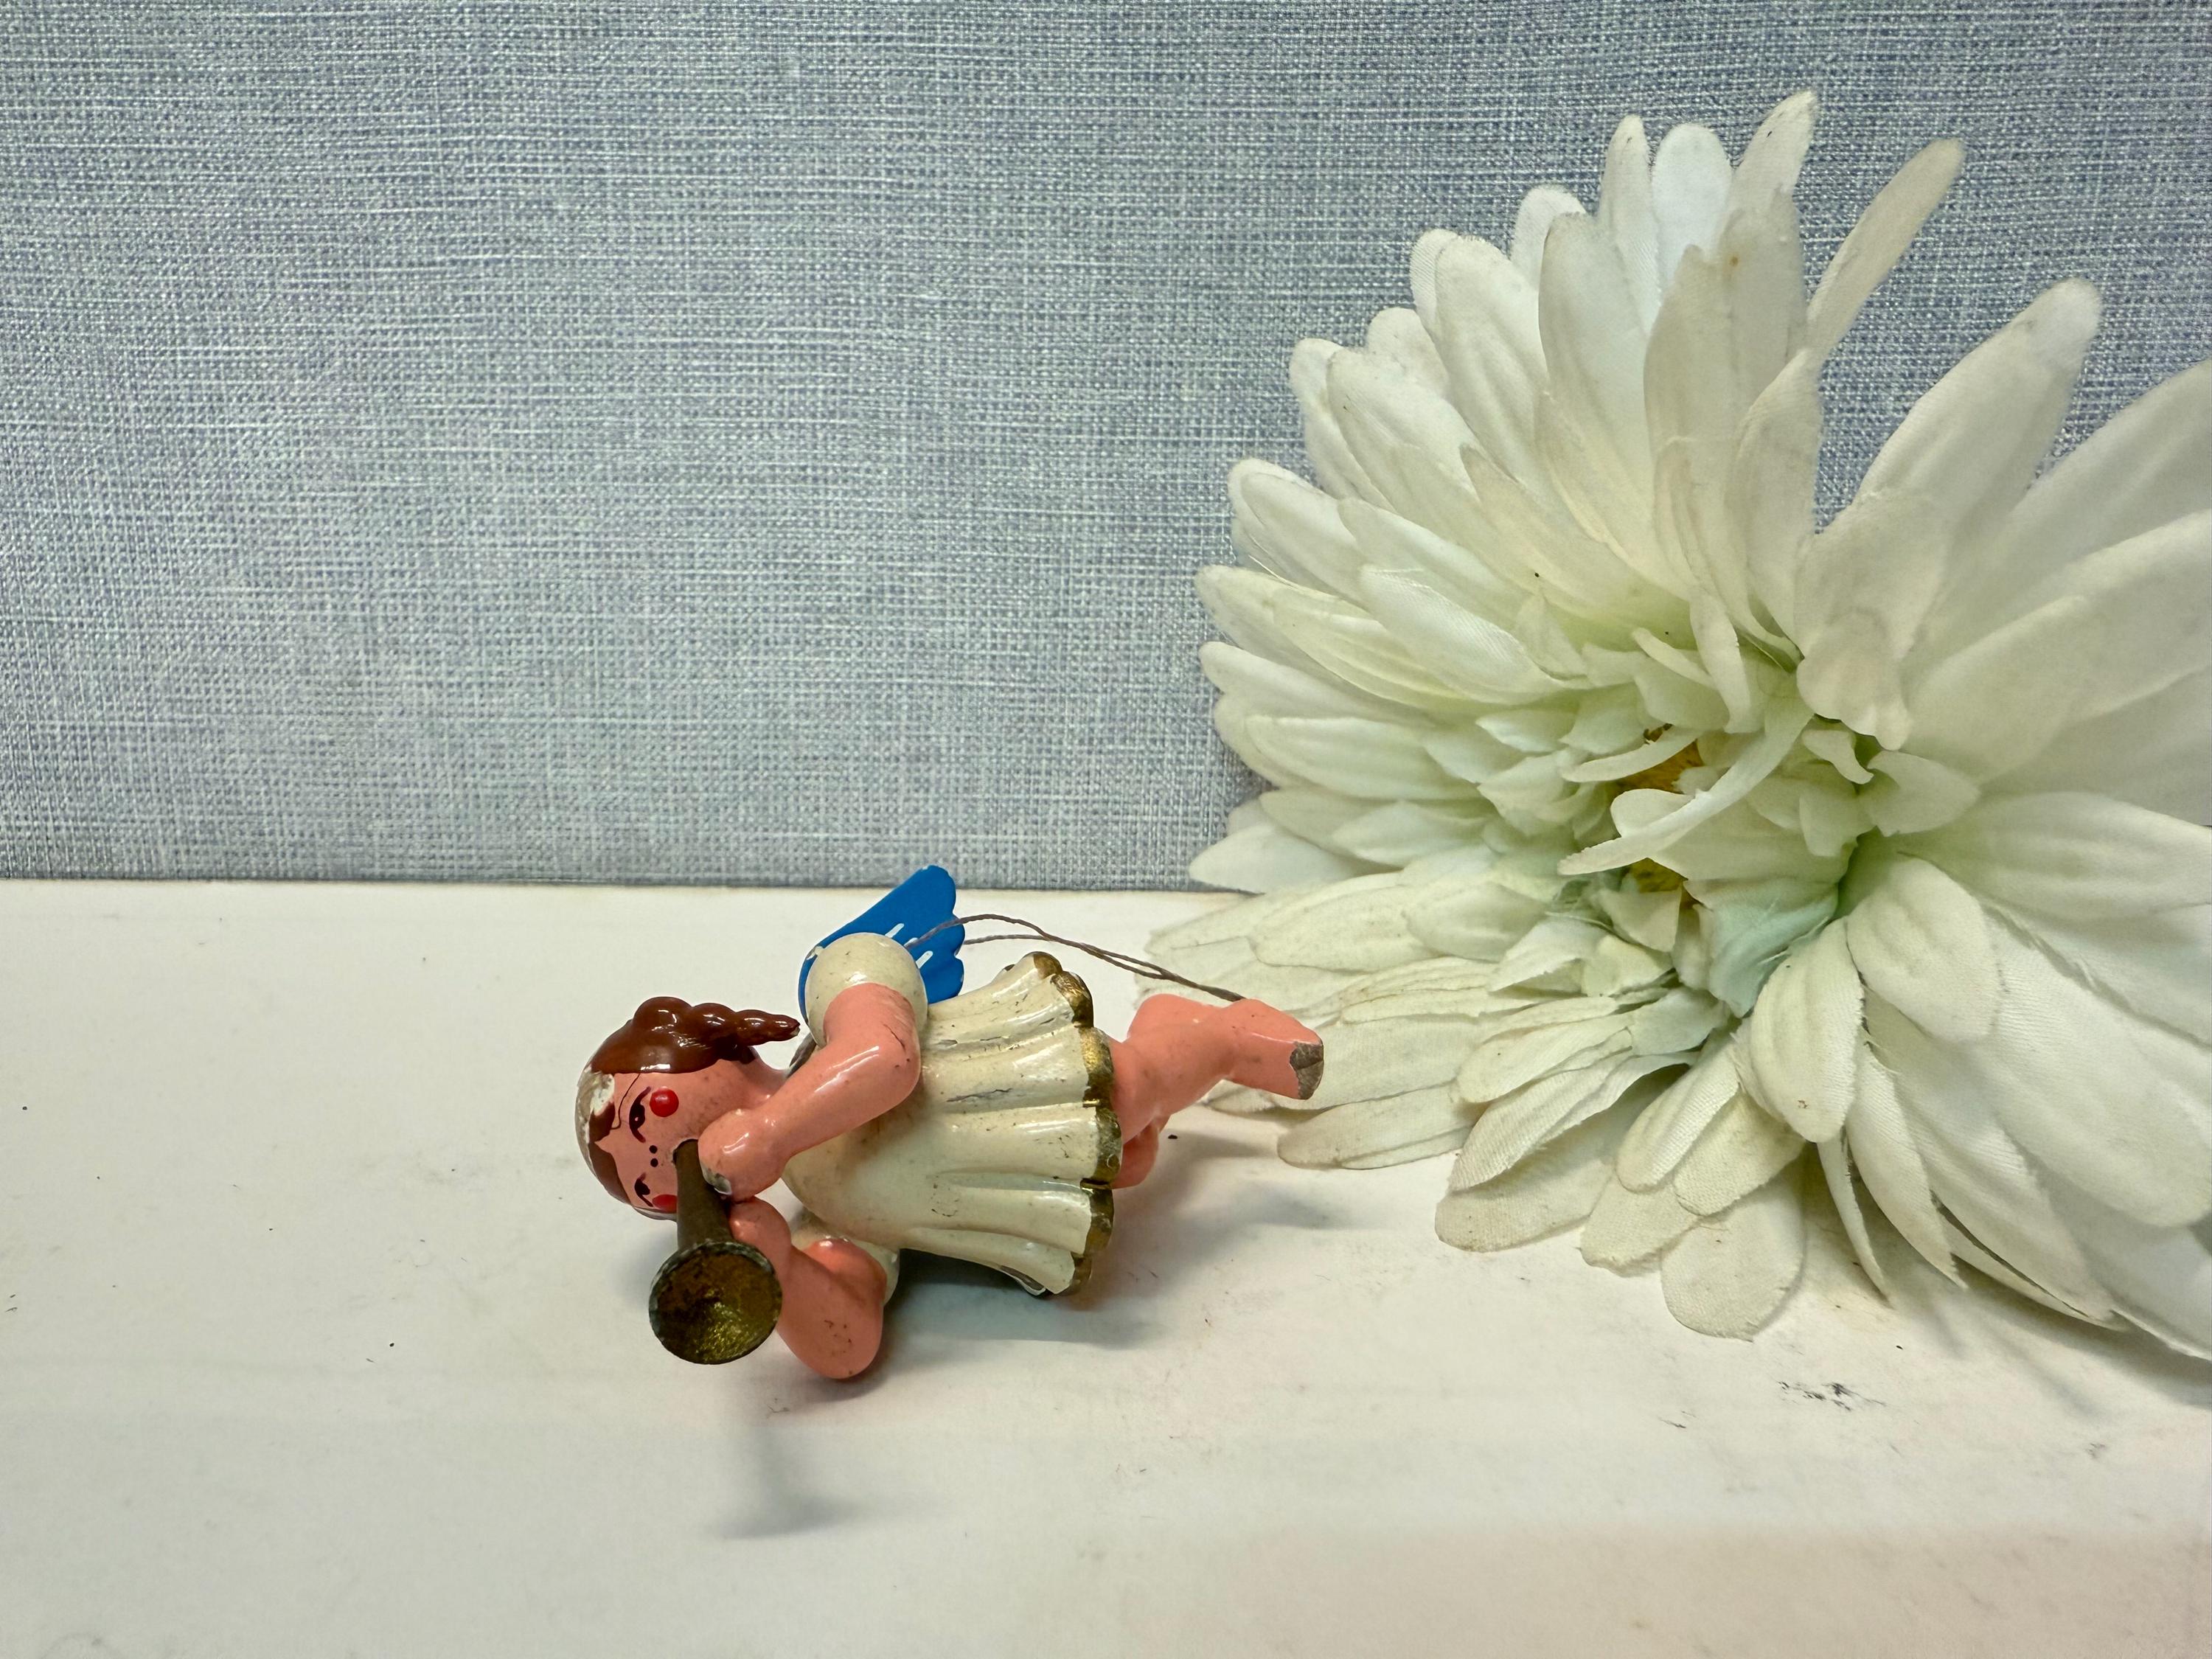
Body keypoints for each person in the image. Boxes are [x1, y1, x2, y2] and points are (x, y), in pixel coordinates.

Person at [577, 933, 1322, 1378]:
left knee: (1130, 1086)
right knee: (1124, 1149)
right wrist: (785, 1272)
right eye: (651, 1184)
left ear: (708, 1045)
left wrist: (772, 1130)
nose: (662, 1155)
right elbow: (850, 1347)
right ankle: (1167, 1048)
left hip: (1023, 1076)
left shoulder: (838, 984)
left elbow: (888, 1058)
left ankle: (1223, 1037)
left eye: (647, 1115)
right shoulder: (824, 1213)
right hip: (1024, 1180)